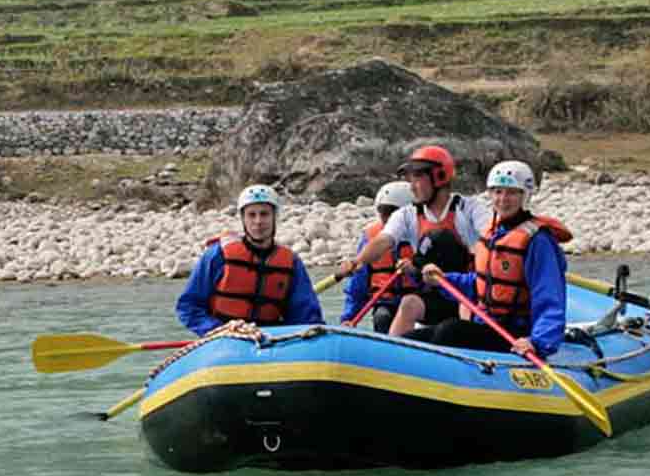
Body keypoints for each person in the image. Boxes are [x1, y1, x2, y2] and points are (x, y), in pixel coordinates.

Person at [417, 160, 572, 359]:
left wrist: (537, 341)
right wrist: (444, 280)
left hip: (515, 335)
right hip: (488, 326)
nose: (503, 199)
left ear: (525, 196)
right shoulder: (494, 234)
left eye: (511, 193)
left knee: (450, 330)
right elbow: (481, 283)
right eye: (497, 192)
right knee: (413, 338)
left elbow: (550, 298)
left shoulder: (538, 241)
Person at [330, 143, 485, 338]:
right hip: (433, 292)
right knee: (409, 303)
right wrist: (357, 262)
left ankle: (467, 345)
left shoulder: (469, 210)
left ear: (439, 177)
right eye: (410, 179)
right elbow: (383, 241)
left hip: (467, 293)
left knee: (442, 243)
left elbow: (492, 236)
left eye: (417, 177)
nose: (411, 186)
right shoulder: (407, 215)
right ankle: (393, 353)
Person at [177, 183, 323, 335]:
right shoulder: (217, 256)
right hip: (223, 338)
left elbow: (306, 317)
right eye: (251, 215)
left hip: (270, 341)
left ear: (275, 217)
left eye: (264, 214)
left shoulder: (291, 262)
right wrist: (214, 329)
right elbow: (189, 307)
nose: (258, 221)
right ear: (243, 219)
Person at [339, 180, 418, 331]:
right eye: (383, 211)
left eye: (392, 212)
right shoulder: (371, 238)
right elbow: (357, 286)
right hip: (386, 303)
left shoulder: (423, 235)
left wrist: (414, 271)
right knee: (382, 317)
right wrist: (348, 318)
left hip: (419, 302)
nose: (387, 217)